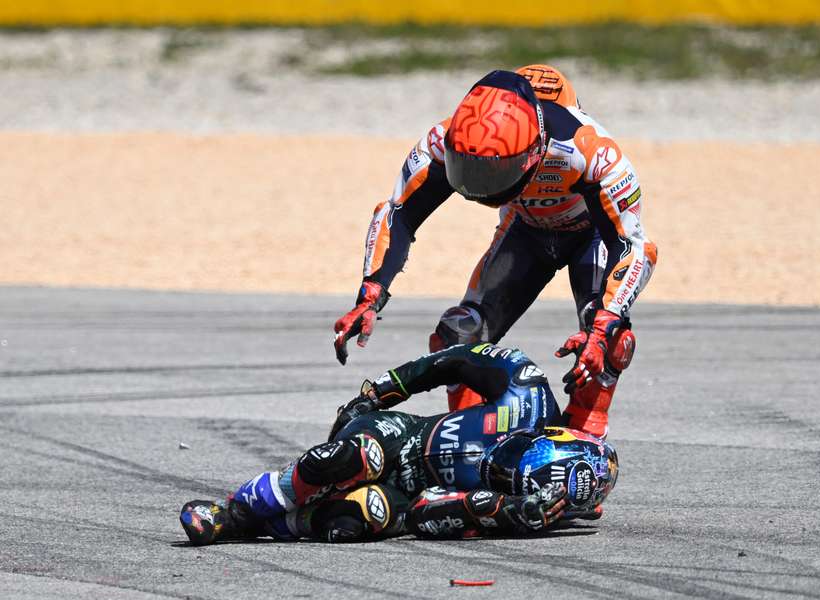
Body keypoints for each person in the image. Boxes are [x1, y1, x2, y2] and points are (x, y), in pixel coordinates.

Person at [333, 64, 658, 440]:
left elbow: (633, 247)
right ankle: (473, 441)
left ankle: (586, 437)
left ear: (534, 151)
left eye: (493, 172)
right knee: (457, 334)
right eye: (467, 168)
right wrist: (371, 293)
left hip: (592, 236)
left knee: (607, 339)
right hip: (524, 231)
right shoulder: (442, 138)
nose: (477, 186)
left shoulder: (590, 153)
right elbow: (398, 212)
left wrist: (601, 328)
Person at [180, 343, 618, 545]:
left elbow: (428, 510)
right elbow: (456, 358)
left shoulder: (527, 508)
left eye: (511, 483)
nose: (499, 472)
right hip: (400, 434)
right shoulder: (528, 391)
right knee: (345, 460)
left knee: (351, 521)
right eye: (514, 461)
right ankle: (233, 512)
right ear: (545, 433)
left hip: (407, 497)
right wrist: (380, 392)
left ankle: (263, 527)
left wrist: (500, 510)